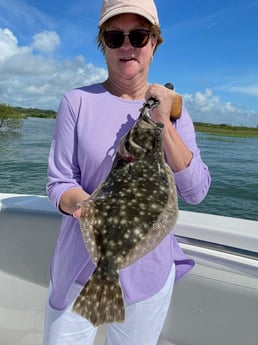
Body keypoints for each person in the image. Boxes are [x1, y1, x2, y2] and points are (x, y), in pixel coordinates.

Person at [43, 0, 211, 344]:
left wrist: (164, 121)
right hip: (79, 267)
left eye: (138, 35)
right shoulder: (76, 101)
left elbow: (195, 191)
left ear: (154, 42)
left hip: (148, 273)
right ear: (102, 43)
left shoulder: (174, 113)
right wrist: (89, 209)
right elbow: (59, 183)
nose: (127, 46)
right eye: (114, 37)